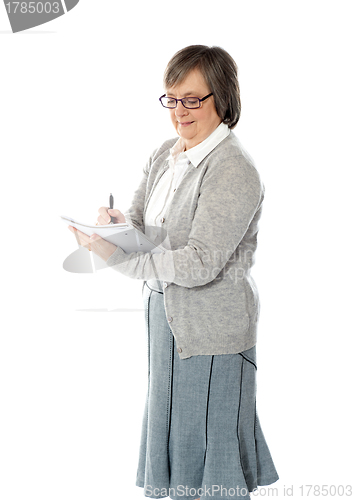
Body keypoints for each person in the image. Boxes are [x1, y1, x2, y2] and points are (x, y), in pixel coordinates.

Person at [69, 45, 279, 500]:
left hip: (213, 329)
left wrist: (114, 256)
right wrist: (116, 227)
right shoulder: (165, 154)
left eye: (191, 99)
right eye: (171, 98)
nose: (178, 111)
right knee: (179, 436)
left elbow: (199, 262)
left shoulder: (233, 170)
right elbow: (141, 224)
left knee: (210, 449)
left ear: (221, 99)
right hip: (165, 320)